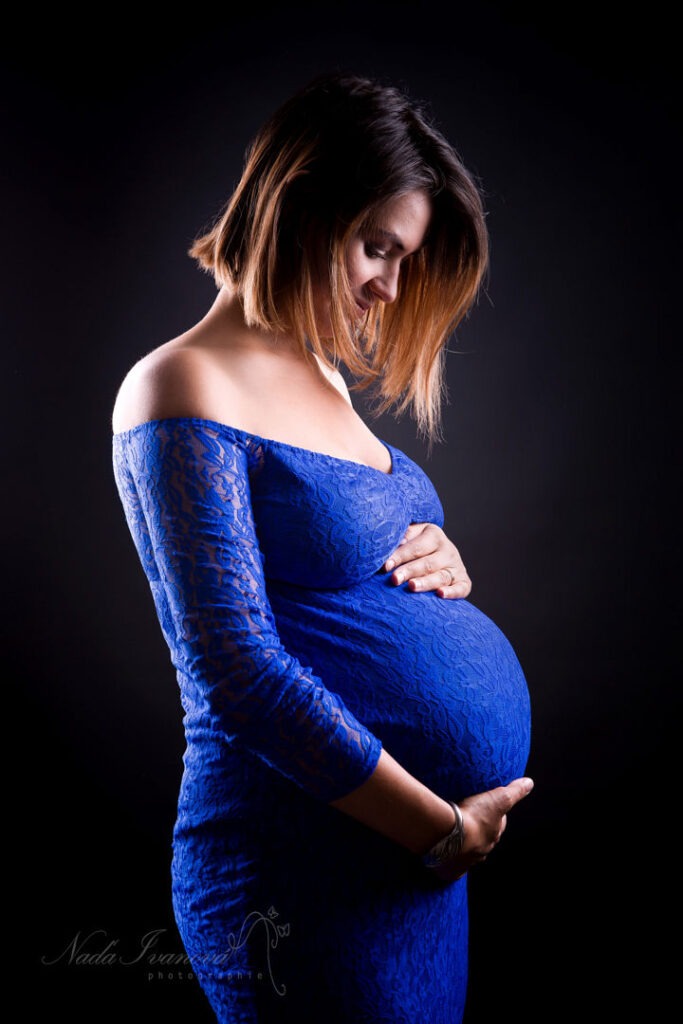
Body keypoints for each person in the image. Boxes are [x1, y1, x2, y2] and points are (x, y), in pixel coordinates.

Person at [111, 72, 533, 1024]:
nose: (389, 283)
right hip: (300, 866)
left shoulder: (323, 375)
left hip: (413, 875)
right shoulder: (178, 387)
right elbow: (236, 669)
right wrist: (438, 828)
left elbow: (337, 558)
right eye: (374, 246)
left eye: (403, 255)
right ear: (299, 204)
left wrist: (438, 558)